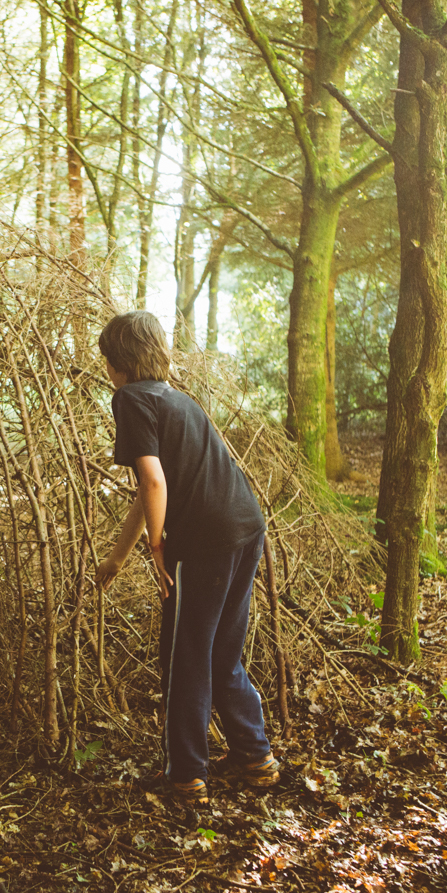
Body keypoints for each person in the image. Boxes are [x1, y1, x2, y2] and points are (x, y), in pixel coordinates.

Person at [93, 310, 279, 804]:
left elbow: (153, 482)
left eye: (108, 362)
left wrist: (158, 547)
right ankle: (255, 757)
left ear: (120, 363)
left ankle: (185, 776)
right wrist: (117, 557)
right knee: (220, 653)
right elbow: (149, 491)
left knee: (185, 657)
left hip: (205, 542)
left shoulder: (130, 398)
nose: (108, 373)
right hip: (245, 527)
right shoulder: (178, 401)